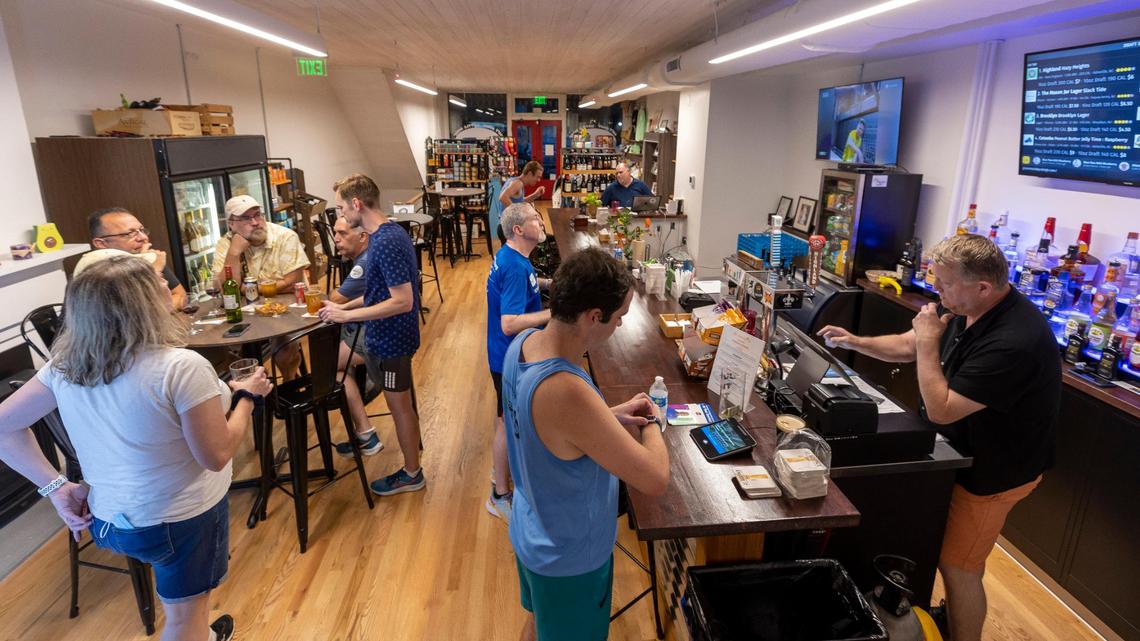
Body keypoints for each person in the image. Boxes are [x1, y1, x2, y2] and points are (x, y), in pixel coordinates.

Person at [0, 254, 272, 641]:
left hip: (110, 521)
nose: (167, 285)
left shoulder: (65, 364)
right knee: (185, 618)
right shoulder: (181, 367)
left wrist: (55, 488)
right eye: (157, 281)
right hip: (179, 520)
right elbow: (216, 456)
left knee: (183, 610)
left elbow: (4, 427)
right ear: (141, 302)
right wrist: (247, 398)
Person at [818, 234, 1061, 641]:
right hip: (956, 452)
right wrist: (854, 341)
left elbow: (942, 407)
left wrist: (929, 342)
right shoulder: (968, 307)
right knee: (930, 540)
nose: (937, 290)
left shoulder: (1014, 340)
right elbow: (909, 345)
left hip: (995, 473)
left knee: (959, 565)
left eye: (945, 284)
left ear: (982, 287)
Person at [504, 247, 669, 641]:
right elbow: (655, 478)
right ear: (594, 316)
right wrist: (652, 419)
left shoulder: (523, 345)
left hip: (532, 529)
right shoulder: (565, 389)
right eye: (618, 319)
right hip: (569, 555)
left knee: (539, 624)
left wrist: (607, 417)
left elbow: (547, 430)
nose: (618, 326)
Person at [319, 174, 425, 496]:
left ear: (356, 204)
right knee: (397, 405)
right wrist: (346, 308)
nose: (340, 216)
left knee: (400, 408)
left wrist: (347, 314)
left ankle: (412, 473)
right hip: (385, 336)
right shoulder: (384, 233)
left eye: (340, 207)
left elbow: (402, 300)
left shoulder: (386, 241)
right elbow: (380, 292)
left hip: (393, 339)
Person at [484, 203, 552, 522]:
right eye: (534, 219)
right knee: (505, 423)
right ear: (518, 230)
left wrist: (549, 284)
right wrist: (553, 314)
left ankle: (501, 474)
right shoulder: (514, 268)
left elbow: (524, 286)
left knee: (506, 421)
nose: (540, 222)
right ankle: (500, 493)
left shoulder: (514, 258)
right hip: (507, 358)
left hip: (505, 355)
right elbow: (509, 323)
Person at [212, 194, 310, 378]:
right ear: (232, 224)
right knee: (220, 350)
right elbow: (226, 290)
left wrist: (245, 287)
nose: (256, 222)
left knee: (284, 347)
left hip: (285, 309)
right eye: (247, 218)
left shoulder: (285, 237)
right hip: (243, 313)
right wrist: (233, 254)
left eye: (258, 215)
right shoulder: (225, 244)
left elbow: (291, 282)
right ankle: (255, 391)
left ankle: (288, 387)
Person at [326, 215, 384, 457]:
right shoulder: (369, 256)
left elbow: (334, 298)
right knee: (338, 373)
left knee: (327, 368)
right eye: (335, 234)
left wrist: (338, 303)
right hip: (376, 329)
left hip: (374, 335)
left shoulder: (364, 262)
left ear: (362, 237)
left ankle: (365, 432)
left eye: (342, 234)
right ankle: (364, 434)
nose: (336, 240)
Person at [88, 207, 187, 310]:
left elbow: (181, 296)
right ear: (101, 243)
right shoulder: (97, 276)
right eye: (129, 234)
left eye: (141, 230)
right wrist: (152, 271)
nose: (143, 237)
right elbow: (134, 314)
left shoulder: (147, 257)